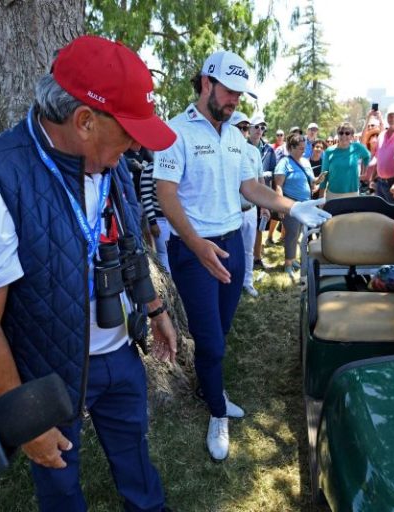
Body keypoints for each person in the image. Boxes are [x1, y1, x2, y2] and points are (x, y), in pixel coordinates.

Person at [0, 36, 177, 511]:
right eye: (129, 131)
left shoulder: (113, 165)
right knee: (60, 483)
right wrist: (24, 415)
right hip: (42, 375)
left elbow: (127, 245)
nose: (136, 146)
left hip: (118, 355)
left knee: (137, 458)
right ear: (85, 121)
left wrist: (155, 308)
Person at [153, 49, 330, 460]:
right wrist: (197, 245)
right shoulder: (173, 131)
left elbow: (250, 188)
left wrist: (291, 207)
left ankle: (210, 383)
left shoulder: (235, 135)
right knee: (211, 340)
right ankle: (216, 410)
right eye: (229, 92)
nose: (234, 101)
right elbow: (166, 196)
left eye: (239, 95)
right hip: (194, 249)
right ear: (205, 83)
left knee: (222, 329)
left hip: (232, 243)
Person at [273, 133, 324, 280]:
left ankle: (293, 259)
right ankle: (288, 263)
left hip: (305, 205)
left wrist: (317, 180)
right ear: (291, 148)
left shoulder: (306, 162)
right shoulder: (284, 163)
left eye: (304, 147)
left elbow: (311, 181)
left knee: (299, 233)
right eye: (300, 148)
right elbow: (278, 186)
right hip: (291, 205)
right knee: (292, 233)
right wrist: (281, 206)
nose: (303, 150)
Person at [231, 111, 265, 298]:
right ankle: (232, 284)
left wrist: (265, 205)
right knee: (231, 251)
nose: (243, 132)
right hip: (232, 211)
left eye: (246, 128)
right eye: (240, 128)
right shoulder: (224, 151)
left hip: (251, 209)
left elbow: (259, 179)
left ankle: (247, 281)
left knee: (248, 249)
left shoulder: (253, 151)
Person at [246, 113, 274, 274]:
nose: (259, 130)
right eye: (256, 126)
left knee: (260, 228)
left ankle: (257, 257)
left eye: (262, 127)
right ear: (249, 129)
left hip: (263, 192)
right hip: (246, 195)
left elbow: (274, 171)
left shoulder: (268, 149)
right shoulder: (241, 147)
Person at [138, 146, 171, 272]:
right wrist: (153, 222)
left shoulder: (176, 167)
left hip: (176, 219)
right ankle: (170, 285)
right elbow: (146, 198)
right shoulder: (150, 169)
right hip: (160, 220)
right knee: (164, 254)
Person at [319, 121, 371, 200]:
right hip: (333, 194)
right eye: (341, 133)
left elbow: (367, 156)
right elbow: (324, 174)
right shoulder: (329, 151)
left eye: (347, 133)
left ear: (352, 136)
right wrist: (321, 196)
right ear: (338, 134)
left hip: (353, 193)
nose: (344, 135)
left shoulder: (357, 147)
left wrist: (366, 172)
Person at [369, 103, 394, 204]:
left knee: (392, 217)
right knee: (380, 215)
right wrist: (372, 179)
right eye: (390, 115)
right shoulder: (382, 135)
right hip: (380, 183)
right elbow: (378, 158)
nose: (392, 117)